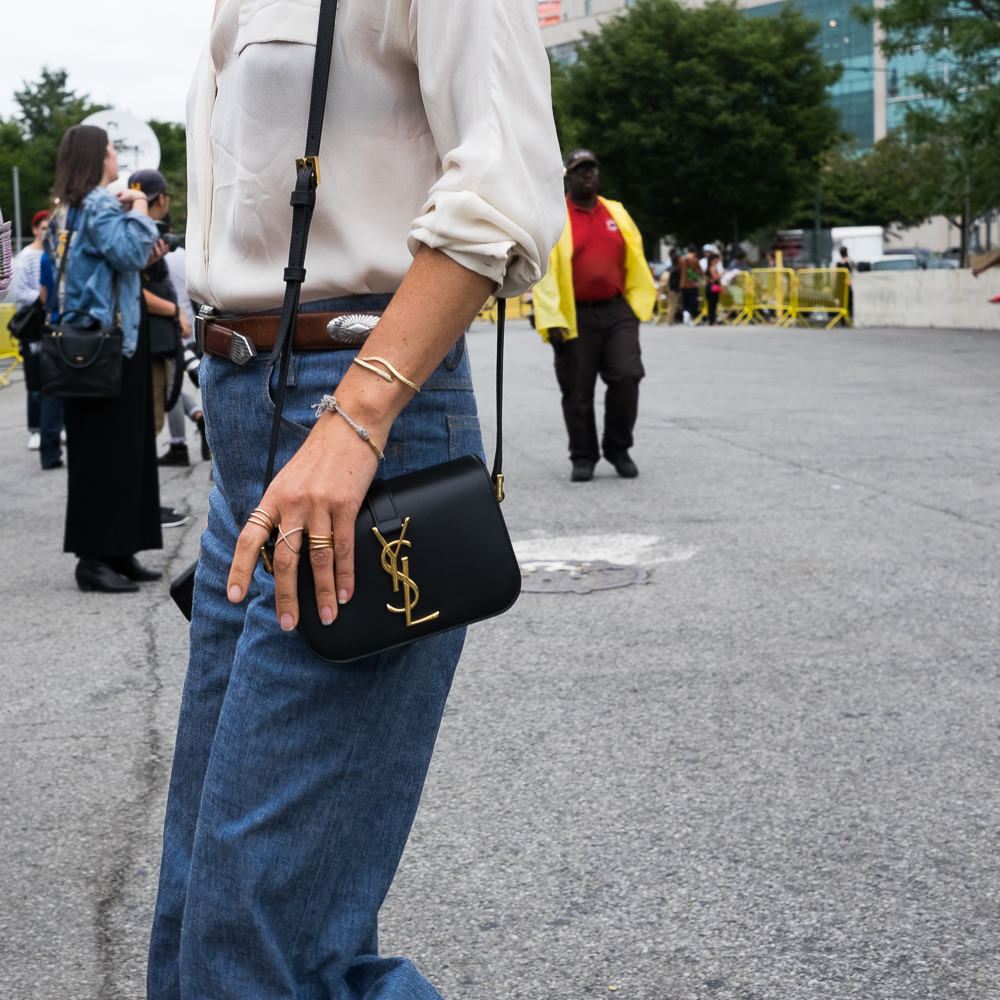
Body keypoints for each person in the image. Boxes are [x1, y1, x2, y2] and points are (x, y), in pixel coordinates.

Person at [145, 2, 564, 998]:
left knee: (249, 942)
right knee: (200, 908)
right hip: (246, 420)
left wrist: (357, 417)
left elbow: (503, 187)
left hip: (356, 410)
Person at [44, 124, 162, 592]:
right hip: (109, 344)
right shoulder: (96, 204)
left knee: (107, 453)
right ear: (97, 157)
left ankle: (116, 549)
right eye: (112, 149)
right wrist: (138, 206)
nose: (116, 157)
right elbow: (132, 252)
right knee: (114, 453)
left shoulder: (66, 211)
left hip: (85, 346)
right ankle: (94, 559)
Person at [532, 149, 656, 482]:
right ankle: (583, 455)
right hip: (576, 316)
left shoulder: (615, 211)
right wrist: (552, 318)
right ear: (567, 178)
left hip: (617, 311)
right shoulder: (556, 217)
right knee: (577, 389)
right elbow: (545, 273)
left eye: (592, 170)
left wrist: (633, 304)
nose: (587, 175)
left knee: (627, 376)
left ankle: (618, 448)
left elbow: (635, 257)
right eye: (579, 170)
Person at [8, 209, 65, 458]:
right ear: (34, 230)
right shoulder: (25, 257)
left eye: (48, 227)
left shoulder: (56, 254)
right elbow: (20, 292)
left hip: (52, 323)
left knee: (55, 377)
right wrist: (46, 301)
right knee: (35, 380)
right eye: (41, 227)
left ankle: (55, 426)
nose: (45, 232)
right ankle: (36, 429)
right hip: (33, 325)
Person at [678, 242, 702, 326]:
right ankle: (688, 314)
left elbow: (679, 270)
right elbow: (700, 272)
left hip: (683, 283)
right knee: (693, 301)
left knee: (685, 301)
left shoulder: (681, 259)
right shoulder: (695, 260)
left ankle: (685, 314)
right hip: (692, 284)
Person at [703, 247, 723, 325]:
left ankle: (712, 320)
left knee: (712, 305)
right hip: (712, 288)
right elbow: (715, 278)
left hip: (710, 288)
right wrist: (722, 274)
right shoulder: (712, 268)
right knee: (712, 305)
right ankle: (712, 321)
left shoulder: (709, 267)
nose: (717, 261)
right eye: (716, 259)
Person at [835, 245, 854, 323]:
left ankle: (842, 320)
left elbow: (836, 275)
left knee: (842, 302)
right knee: (849, 302)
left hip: (840, 285)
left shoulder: (838, 263)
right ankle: (849, 318)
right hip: (847, 285)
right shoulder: (849, 262)